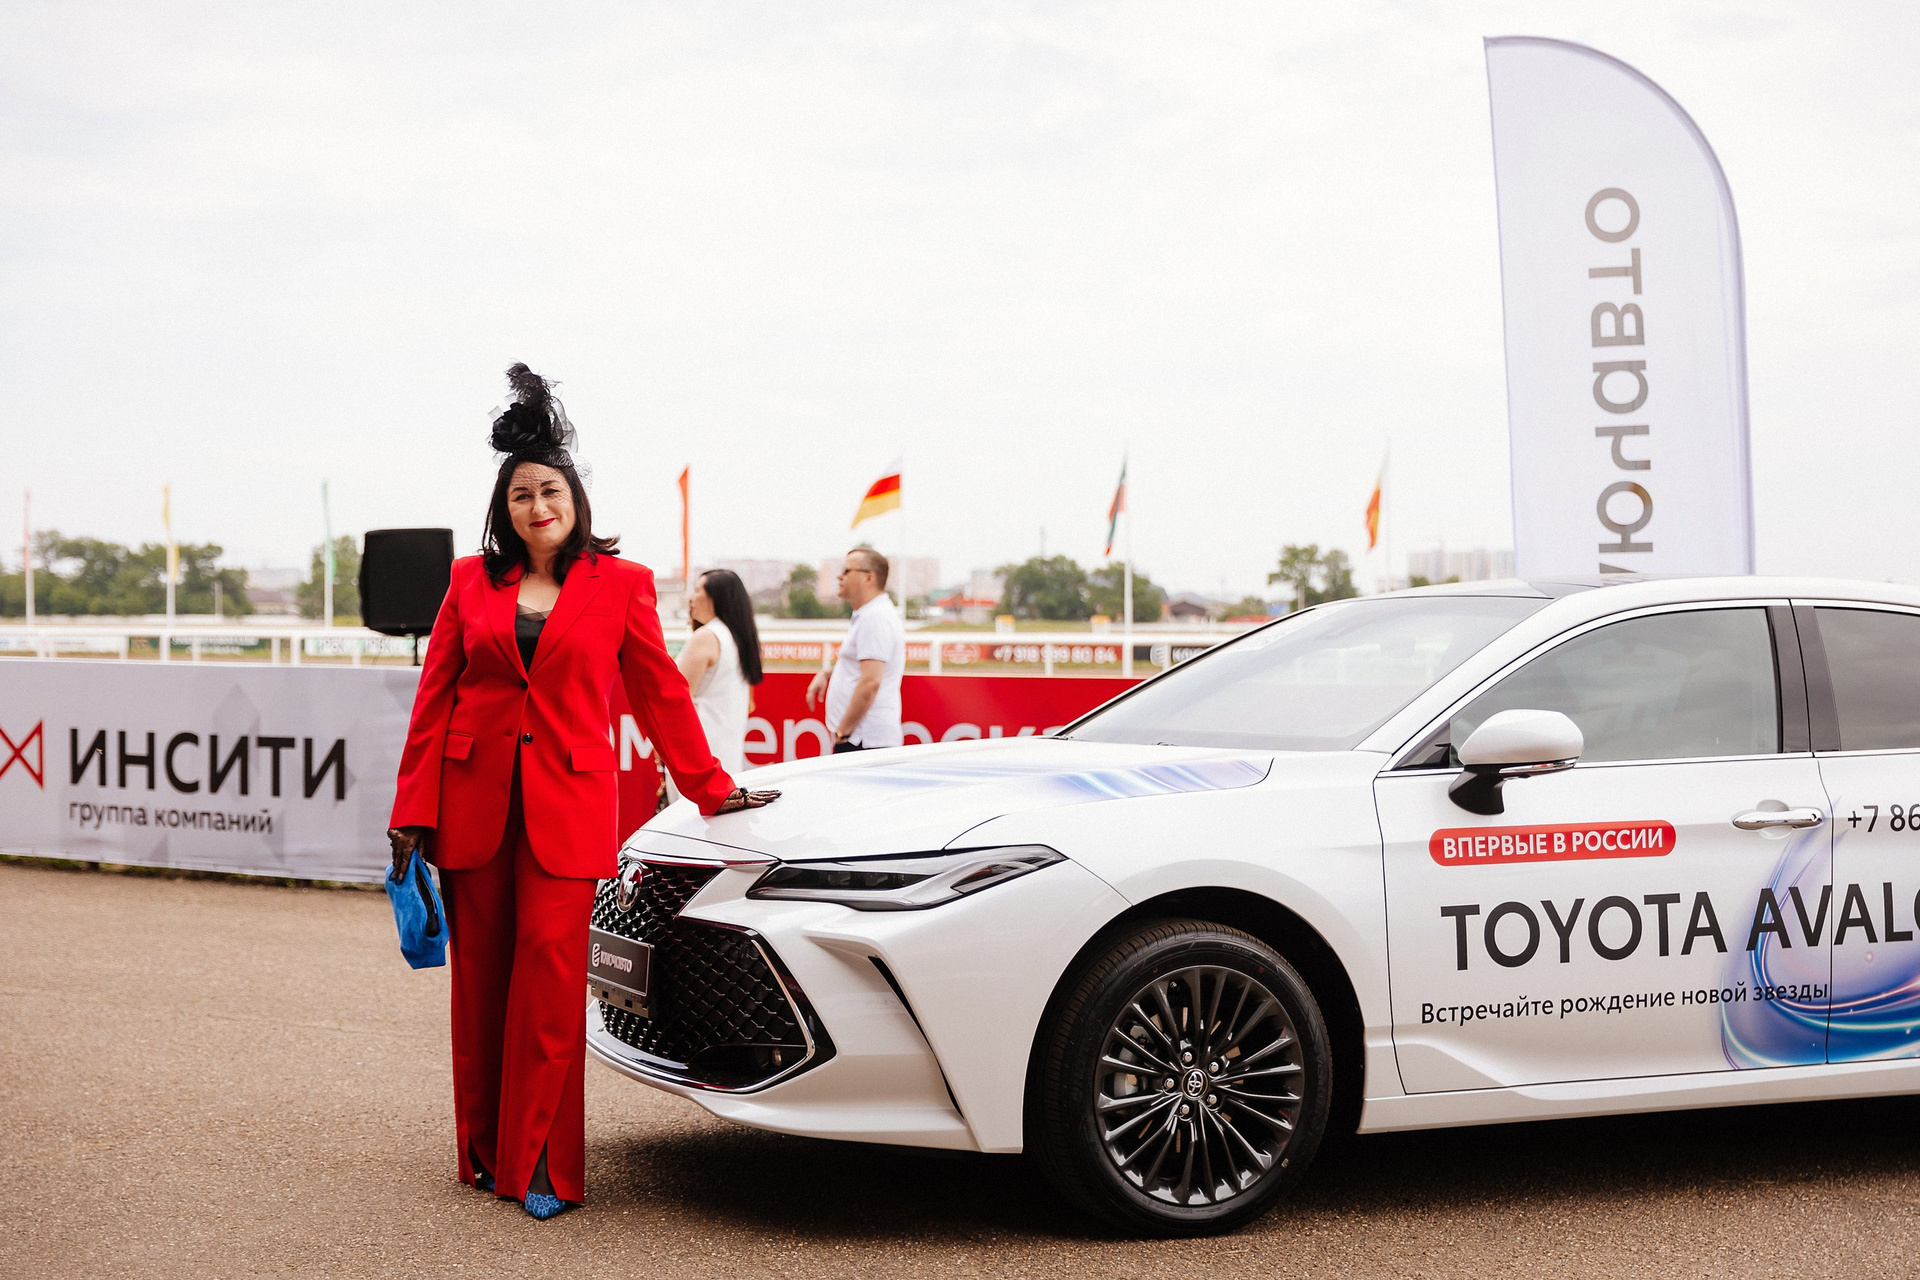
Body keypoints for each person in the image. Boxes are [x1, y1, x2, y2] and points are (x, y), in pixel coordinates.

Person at [385, 364, 778, 1221]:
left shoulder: (621, 584)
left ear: (575, 500)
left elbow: (659, 693)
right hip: (474, 808)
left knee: (553, 987)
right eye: (521, 494)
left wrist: (711, 787)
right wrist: (411, 810)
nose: (537, 505)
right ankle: (485, 1152)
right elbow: (434, 697)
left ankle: (540, 1166)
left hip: (568, 808)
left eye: (550, 490)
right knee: (481, 990)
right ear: (504, 509)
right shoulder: (467, 580)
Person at [806, 548, 905, 752]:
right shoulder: (870, 614)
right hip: (861, 738)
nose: (839, 576)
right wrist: (827, 674)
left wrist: (843, 733)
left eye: (846, 571)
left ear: (869, 577)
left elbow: (870, 682)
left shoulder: (874, 617)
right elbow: (863, 667)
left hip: (863, 740)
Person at [676, 568, 763, 775]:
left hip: (697, 759)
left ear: (715, 598)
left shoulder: (707, 636)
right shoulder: (737, 637)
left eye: (697, 590)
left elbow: (678, 699)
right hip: (725, 759)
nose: (691, 598)